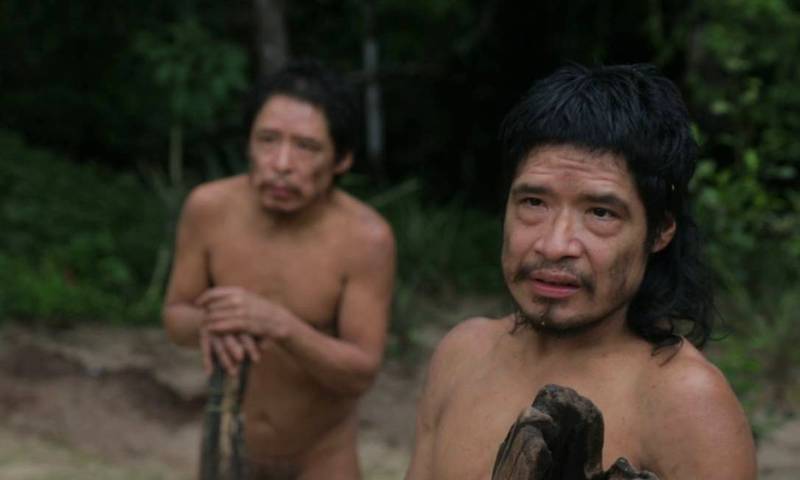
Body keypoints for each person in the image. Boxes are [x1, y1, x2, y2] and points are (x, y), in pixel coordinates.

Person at [405, 64, 757, 480]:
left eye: (601, 213)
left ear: (659, 231)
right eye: (534, 202)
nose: (554, 244)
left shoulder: (685, 401)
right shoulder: (461, 355)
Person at [162, 60, 396, 480]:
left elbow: (360, 372)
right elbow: (176, 318)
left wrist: (279, 325)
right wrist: (213, 323)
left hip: (322, 458)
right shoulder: (208, 208)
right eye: (267, 140)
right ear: (248, 143)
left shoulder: (366, 239)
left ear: (342, 158)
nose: (281, 162)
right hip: (226, 445)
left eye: (306, 146)